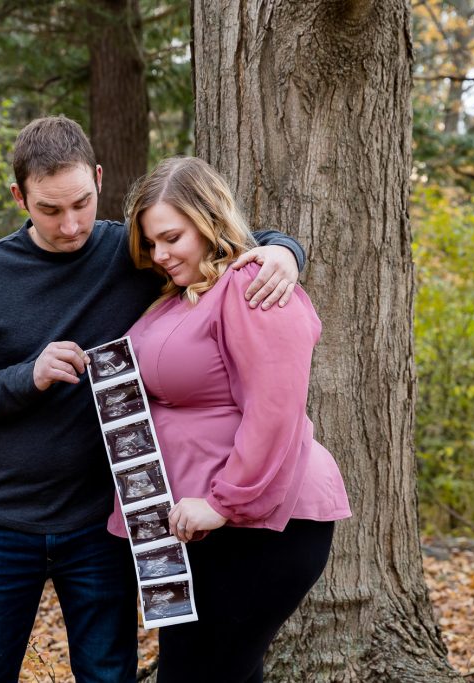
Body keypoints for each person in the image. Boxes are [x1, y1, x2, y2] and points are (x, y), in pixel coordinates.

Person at [0, 115, 307, 683]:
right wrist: (27, 375)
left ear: (99, 178)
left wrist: (285, 251)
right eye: (49, 209)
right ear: (19, 197)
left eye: (81, 202)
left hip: (101, 521)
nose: (70, 224)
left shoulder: (131, 253)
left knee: (108, 674)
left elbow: (215, 244)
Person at [108, 156, 352, 683]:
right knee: (215, 672)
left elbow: (275, 407)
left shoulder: (251, 285)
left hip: (254, 525)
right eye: (151, 244)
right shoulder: (177, 298)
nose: (161, 254)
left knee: (203, 673)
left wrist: (224, 502)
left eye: (172, 237)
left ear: (208, 219)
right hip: (189, 526)